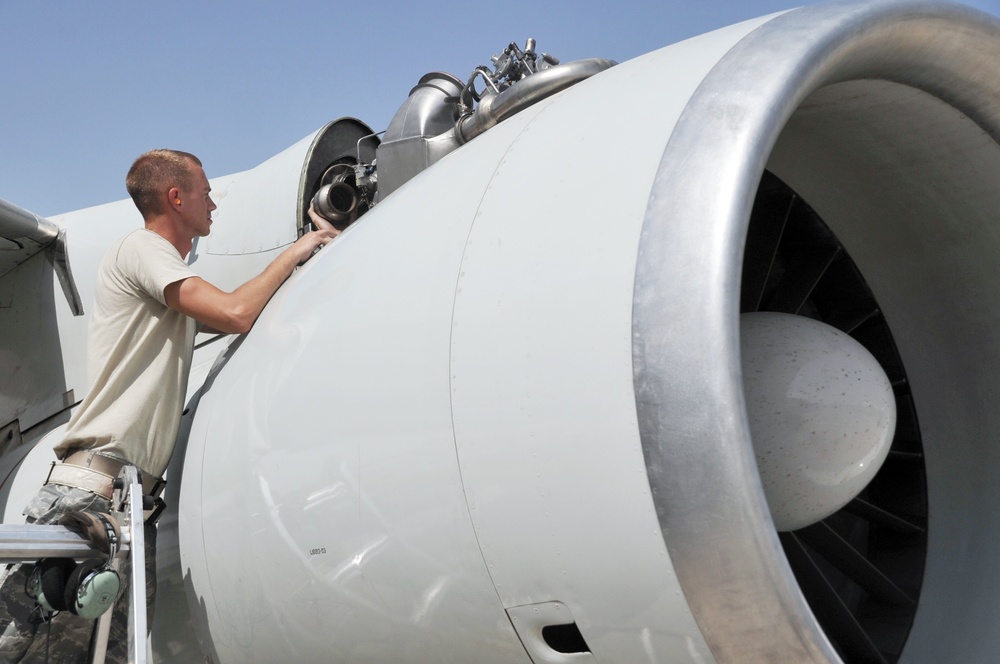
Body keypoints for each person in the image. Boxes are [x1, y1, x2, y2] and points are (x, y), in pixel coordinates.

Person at [0, 149, 338, 663]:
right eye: (205, 192)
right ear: (176, 198)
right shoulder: (142, 250)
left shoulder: (168, 293)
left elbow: (236, 308)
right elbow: (236, 311)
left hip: (130, 511)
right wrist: (297, 249)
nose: (214, 204)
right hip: (88, 502)